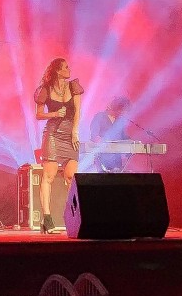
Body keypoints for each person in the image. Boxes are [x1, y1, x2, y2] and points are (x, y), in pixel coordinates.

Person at [34, 57, 83, 234]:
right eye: (65, 67)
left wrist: (75, 132)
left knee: (71, 177)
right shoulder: (45, 90)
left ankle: (75, 217)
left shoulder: (74, 87)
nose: (69, 70)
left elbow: (78, 112)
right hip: (53, 135)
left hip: (70, 136)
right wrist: (54, 113)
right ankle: (47, 220)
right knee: (49, 176)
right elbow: (38, 115)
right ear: (57, 71)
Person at [89, 96, 131, 173]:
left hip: (117, 161)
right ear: (117, 108)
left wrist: (132, 144)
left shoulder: (120, 121)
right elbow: (94, 136)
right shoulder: (100, 117)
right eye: (123, 111)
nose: (124, 114)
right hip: (101, 158)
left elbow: (124, 138)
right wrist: (103, 142)